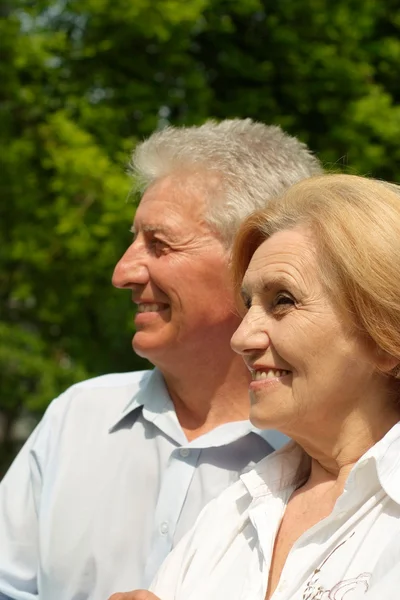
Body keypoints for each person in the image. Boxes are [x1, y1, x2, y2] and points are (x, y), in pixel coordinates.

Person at [0, 119, 322, 600]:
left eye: (159, 244)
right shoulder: (77, 416)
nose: (122, 272)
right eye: (133, 241)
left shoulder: (333, 458)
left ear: (254, 257)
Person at [118, 174, 400, 600]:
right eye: (249, 305)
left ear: (386, 336)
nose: (242, 338)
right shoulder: (234, 510)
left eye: (282, 301)